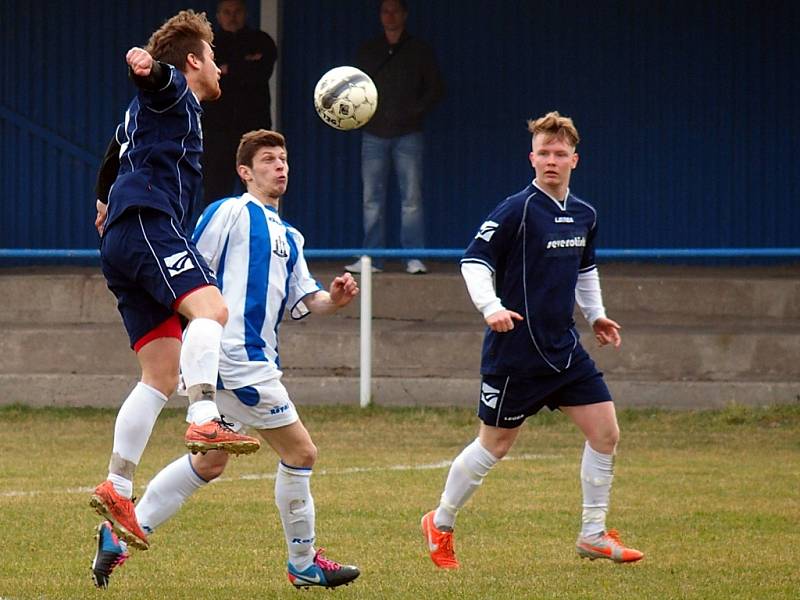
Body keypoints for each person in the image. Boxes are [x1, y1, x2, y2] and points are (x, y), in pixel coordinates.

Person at [91, 130, 361, 591]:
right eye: (269, 160)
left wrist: (333, 300)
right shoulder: (230, 213)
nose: (281, 167)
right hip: (239, 360)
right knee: (301, 453)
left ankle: (118, 537)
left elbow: (304, 299)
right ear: (244, 172)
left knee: (210, 463)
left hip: (247, 361)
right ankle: (302, 563)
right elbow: (189, 266)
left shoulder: (290, 235)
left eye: (284, 159)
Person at [420, 111, 644, 569]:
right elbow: (474, 261)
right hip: (516, 353)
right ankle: (440, 522)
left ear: (574, 160)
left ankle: (593, 533)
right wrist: (491, 307)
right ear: (532, 157)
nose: (551, 160)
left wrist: (596, 315)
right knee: (495, 446)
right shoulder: (516, 209)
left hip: (563, 350)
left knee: (606, 433)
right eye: (544, 152)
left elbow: (585, 269)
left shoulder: (584, 214)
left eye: (560, 153)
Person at [90, 10, 261, 554]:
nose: (219, 71)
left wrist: (102, 198)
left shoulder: (140, 118)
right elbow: (158, 82)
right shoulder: (175, 96)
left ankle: (117, 484)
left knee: (160, 374)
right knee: (211, 311)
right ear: (192, 60)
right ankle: (206, 415)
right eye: (213, 59)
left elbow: (112, 155)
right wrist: (146, 68)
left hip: (122, 238)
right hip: (148, 223)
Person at [344, 0, 444, 275]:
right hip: (373, 134)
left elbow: (435, 88)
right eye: (385, 11)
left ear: (404, 14)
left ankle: (413, 257)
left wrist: (413, 111)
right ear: (380, 16)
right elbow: (353, 88)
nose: (390, 16)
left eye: (395, 10)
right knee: (371, 198)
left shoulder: (419, 50)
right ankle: (372, 259)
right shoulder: (368, 50)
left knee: (411, 198)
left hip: (409, 133)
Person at [201, 0, 278, 208]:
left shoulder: (261, 41)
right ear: (218, 16)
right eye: (227, 12)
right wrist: (243, 66)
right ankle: (214, 240)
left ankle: (262, 237)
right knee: (215, 194)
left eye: (237, 12)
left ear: (245, 14)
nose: (232, 16)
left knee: (259, 191)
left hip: (254, 130)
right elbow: (204, 80)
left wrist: (227, 70)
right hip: (216, 132)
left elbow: (260, 74)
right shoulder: (207, 46)